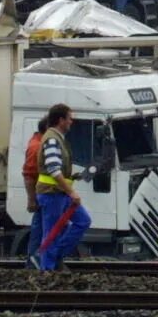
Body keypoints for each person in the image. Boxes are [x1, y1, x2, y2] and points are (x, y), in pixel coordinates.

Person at [24, 103, 90, 271]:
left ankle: (54, 255)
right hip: (51, 195)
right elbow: (53, 169)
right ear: (61, 120)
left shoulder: (57, 137)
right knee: (51, 234)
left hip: (59, 194)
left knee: (83, 221)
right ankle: (48, 269)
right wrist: (72, 192)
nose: (71, 122)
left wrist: (71, 179)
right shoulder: (52, 139)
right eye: (69, 119)